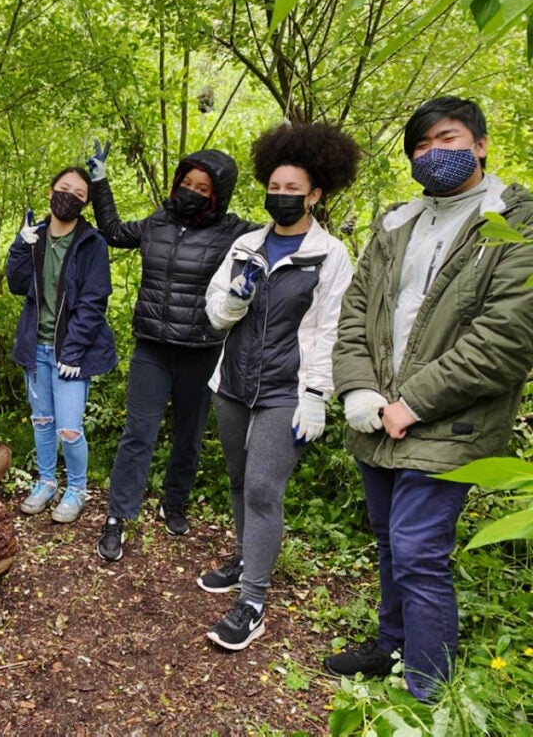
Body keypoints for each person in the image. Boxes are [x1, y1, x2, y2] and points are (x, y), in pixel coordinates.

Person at [324, 96, 533, 701]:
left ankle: (426, 689)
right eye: (420, 146)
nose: (432, 154)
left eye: (446, 139)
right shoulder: (396, 224)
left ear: (481, 144)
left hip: (451, 422)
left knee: (419, 551)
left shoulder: (513, 224)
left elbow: (506, 337)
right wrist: (358, 388)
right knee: (389, 539)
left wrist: (411, 403)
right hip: (376, 415)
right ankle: (394, 645)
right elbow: (355, 313)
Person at [199, 122, 358, 652]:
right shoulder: (245, 244)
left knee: (266, 489)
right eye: (275, 187)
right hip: (233, 384)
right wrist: (234, 300)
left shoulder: (330, 254)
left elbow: (334, 329)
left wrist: (318, 395)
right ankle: (246, 555)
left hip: (286, 391)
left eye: (294, 190)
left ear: (315, 194)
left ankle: (253, 603)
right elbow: (216, 315)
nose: (282, 196)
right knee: (241, 481)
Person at [88, 143, 257, 561]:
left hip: (202, 349)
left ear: (218, 194)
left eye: (203, 187)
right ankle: (117, 517)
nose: (192, 192)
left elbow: (282, 238)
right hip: (152, 347)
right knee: (138, 434)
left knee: (189, 435)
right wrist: (99, 180)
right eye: (186, 183)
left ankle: (174, 501)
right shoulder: (157, 222)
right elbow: (112, 230)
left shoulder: (235, 231)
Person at [6, 167, 117, 523]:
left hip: (71, 352)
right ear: (51, 190)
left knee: (69, 428)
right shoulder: (35, 235)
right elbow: (16, 283)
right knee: (41, 421)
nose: (70, 195)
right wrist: (20, 245)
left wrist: (73, 351)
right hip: (35, 346)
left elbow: (94, 301)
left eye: (79, 193)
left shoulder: (91, 243)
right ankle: (47, 482)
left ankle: (77, 488)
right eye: (64, 188)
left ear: (85, 203)